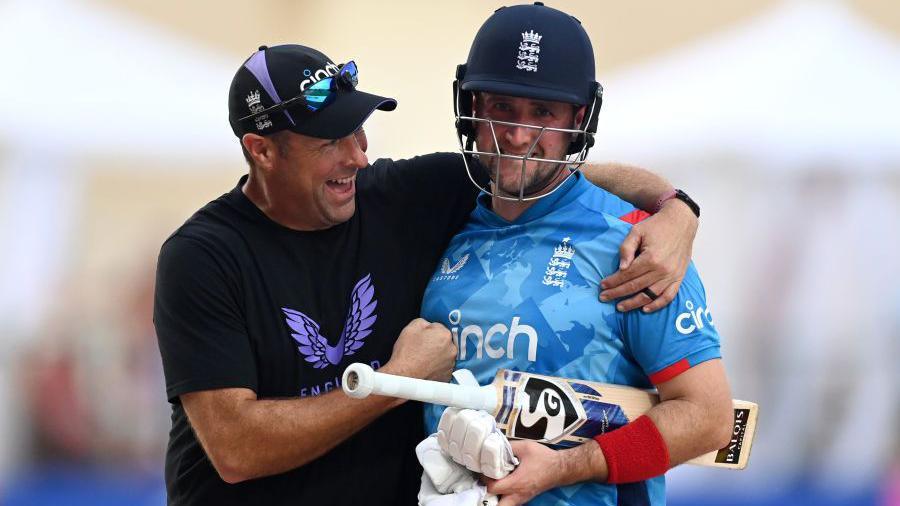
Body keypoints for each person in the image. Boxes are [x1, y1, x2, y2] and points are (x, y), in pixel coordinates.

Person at [153, 40, 699, 505]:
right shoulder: (203, 258)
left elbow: (546, 172)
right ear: (262, 151)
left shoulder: (400, 198)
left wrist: (676, 208)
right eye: (330, 142)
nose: (358, 158)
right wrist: (395, 381)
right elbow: (236, 448)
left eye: (359, 132)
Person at [420, 3, 733, 505]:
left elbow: (708, 418)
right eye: (502, 107)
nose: (519, 136)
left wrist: (565, 467)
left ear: (578, 119)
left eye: (543, 113)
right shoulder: (437, 228)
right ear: (472, 105)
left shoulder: (635, 244)